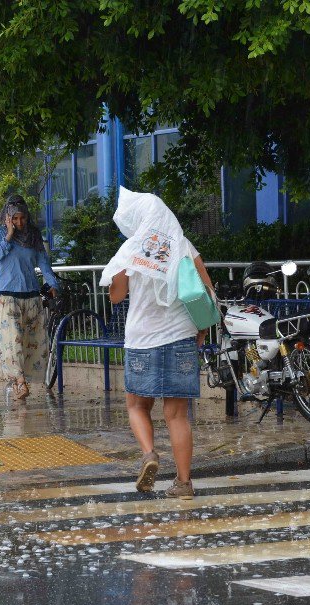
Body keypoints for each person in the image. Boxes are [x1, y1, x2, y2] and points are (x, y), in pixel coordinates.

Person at [100, 187, 215, 499]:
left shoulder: (130, 250)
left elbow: (116, 296)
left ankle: (149, 454)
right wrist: (203, 326)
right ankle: (183, 483)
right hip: (180, 336)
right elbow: (206, 287)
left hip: (142, 339)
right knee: (177, 415)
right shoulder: (183, 245)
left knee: (137, 405)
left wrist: (123, 269)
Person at [0, 195, 59, 401]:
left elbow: (44, 263)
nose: (20, 223)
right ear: (8, 217)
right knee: (12, 341)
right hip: (6, 296)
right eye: (16, 219)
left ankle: (21, 381)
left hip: (31, 296)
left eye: (23, 219)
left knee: (31, 342)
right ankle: (20, 383)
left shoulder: (34, 236)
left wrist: (54, 284)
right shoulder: (0, 233)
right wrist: (9, 235)